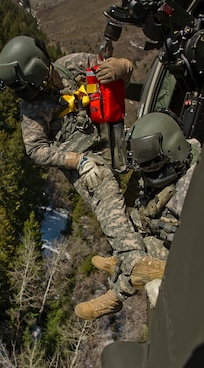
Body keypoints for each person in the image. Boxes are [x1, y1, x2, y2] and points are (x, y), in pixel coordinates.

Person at [0, 36, 181, 320]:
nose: (29, 94)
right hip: (85, 162)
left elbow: (114, 69)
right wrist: (76, 161)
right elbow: (35, 150)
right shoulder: (31, 110)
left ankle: (128, 254)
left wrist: (122, 67)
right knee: (106, 192)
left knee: (139, 185)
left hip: (111, 138)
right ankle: (132, 264)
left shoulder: (72, 66)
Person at [74, 112, 201, 319]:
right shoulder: (179, 158)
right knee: (131, 234)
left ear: (172, 149)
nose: (147, 173)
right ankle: (123, 261)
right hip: (161, 232)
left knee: (145, 261)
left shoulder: (193, 187)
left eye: (152, 167)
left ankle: (116, 295)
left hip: (185, 255)